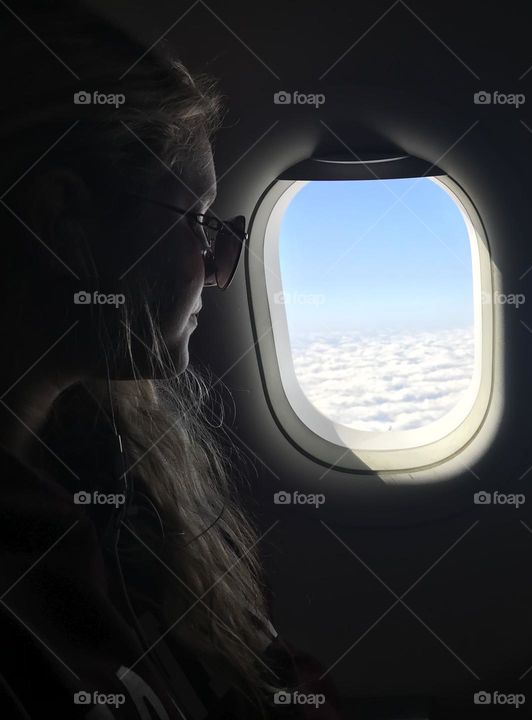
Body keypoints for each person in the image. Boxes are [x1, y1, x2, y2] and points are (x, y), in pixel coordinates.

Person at [0, 2, 343, 717]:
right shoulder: (32, 549)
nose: (218, 267)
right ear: (63, 219)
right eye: (194, 219)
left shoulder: (108, 467)